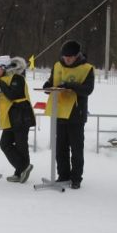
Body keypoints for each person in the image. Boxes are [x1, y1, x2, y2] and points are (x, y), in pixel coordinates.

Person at [42, 40, 95, 189]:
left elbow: (88, 89)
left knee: (76, 148)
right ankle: (63, 175)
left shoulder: (87, 68)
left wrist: (70, 86)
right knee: (60, 148)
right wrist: (47, 87)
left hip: (76, 114)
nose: (67, 60)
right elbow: (52, 81)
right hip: (59, 111)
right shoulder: (57, 65)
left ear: (77, 55)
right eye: (65, 57)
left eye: (70, 57)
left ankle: (76, 177)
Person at [0, 55, 36, 183]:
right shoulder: (4, 78)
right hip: (10, 117)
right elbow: (4, 89)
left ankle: (21, 170)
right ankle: (22, 168)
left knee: (21, 145)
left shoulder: (17, 78)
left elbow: (12, 94)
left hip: (21, 116)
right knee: (5, 144)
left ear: (5, 67)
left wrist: (1, 84)